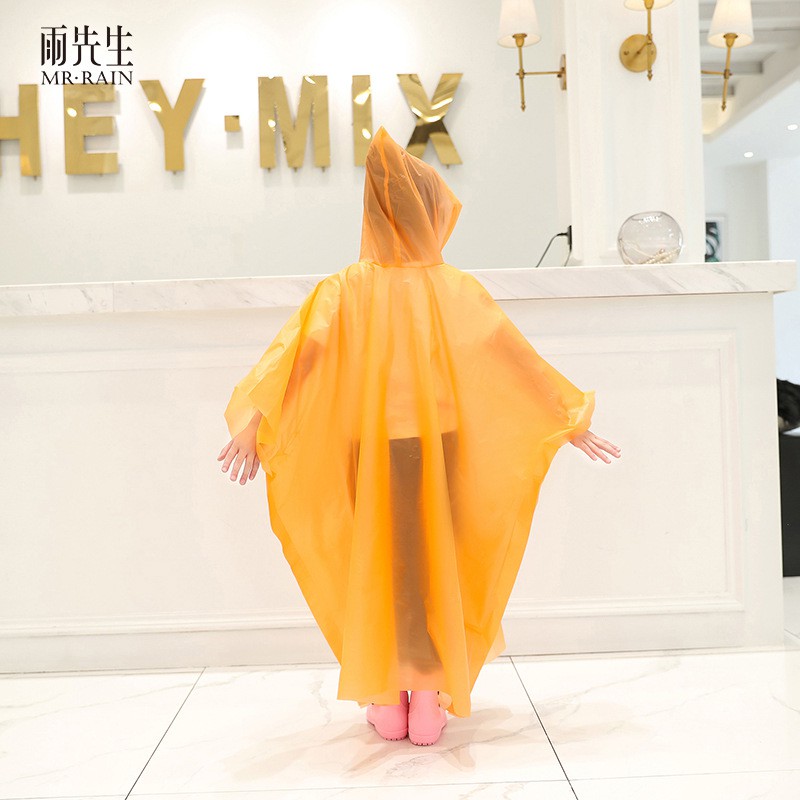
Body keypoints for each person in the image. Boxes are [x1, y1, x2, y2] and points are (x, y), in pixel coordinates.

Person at [218, 126, 621, 746]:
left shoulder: (344, 289)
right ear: (427, 214)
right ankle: (429, 694)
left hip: (369, 448)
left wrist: (253, 425)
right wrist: (568, 418)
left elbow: (294, 362)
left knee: (375, 561)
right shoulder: (453, 288)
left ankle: (387, 694)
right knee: (437, 561)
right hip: (440, 445)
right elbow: (512, 358)